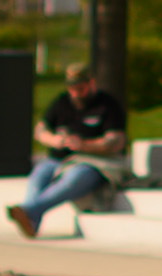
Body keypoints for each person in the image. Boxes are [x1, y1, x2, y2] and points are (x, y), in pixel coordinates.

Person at [8, 65, 128, 235]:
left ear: (91, 83)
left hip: (91, 161)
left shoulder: (108, 105)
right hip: (58, 160)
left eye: (80, 88)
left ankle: (28, 211)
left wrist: (84, 145)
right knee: (39, 174)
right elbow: (40, 130)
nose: (76, 93)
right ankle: (31, 221)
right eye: (72, 88)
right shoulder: (62, 102)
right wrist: (54, 140)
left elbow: (116, 141)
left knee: (75, 178)